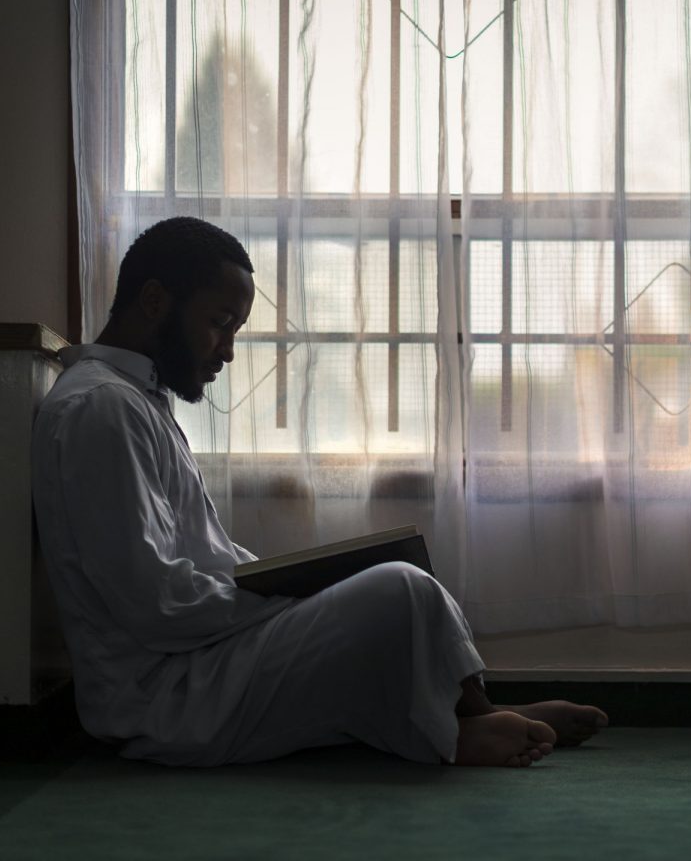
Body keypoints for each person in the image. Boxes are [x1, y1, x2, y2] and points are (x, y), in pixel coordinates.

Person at [32, 216, 608, 768]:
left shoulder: (132, 401)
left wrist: (294, 583)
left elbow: (206, 560)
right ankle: (460, 727)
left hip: (200, 657)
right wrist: (282, 598)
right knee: (398, 589)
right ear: (156, 302)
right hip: (165, 694)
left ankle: (474, 714)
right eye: (220, 322)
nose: (227, 351)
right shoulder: (101, 410)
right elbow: (152, 603)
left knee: (398, 580)